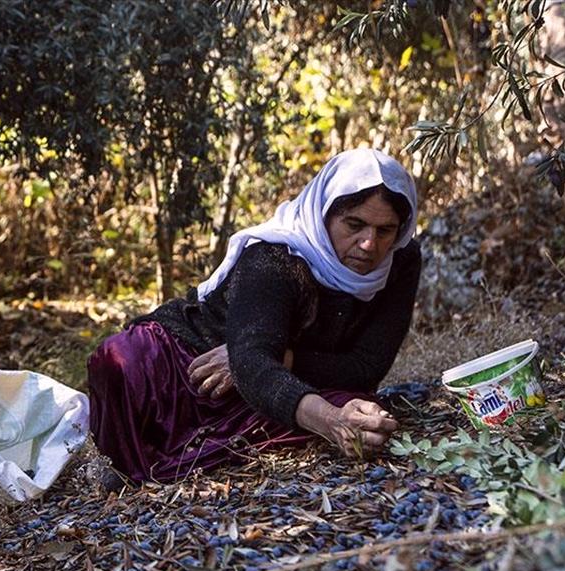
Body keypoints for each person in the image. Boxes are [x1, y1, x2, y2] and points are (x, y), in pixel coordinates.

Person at [87, 148, 421, 484]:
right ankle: (123, 466)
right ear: (325, 214)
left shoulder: (399, 261)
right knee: (118, 359)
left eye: (385, 231)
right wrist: (330, 419)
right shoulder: (274, 259)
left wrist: (282, 360)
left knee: (362, 409)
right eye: (355, 224)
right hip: (193, 361)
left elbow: (367, 366)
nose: (368, 244)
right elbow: (254, 360)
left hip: (272, 379)